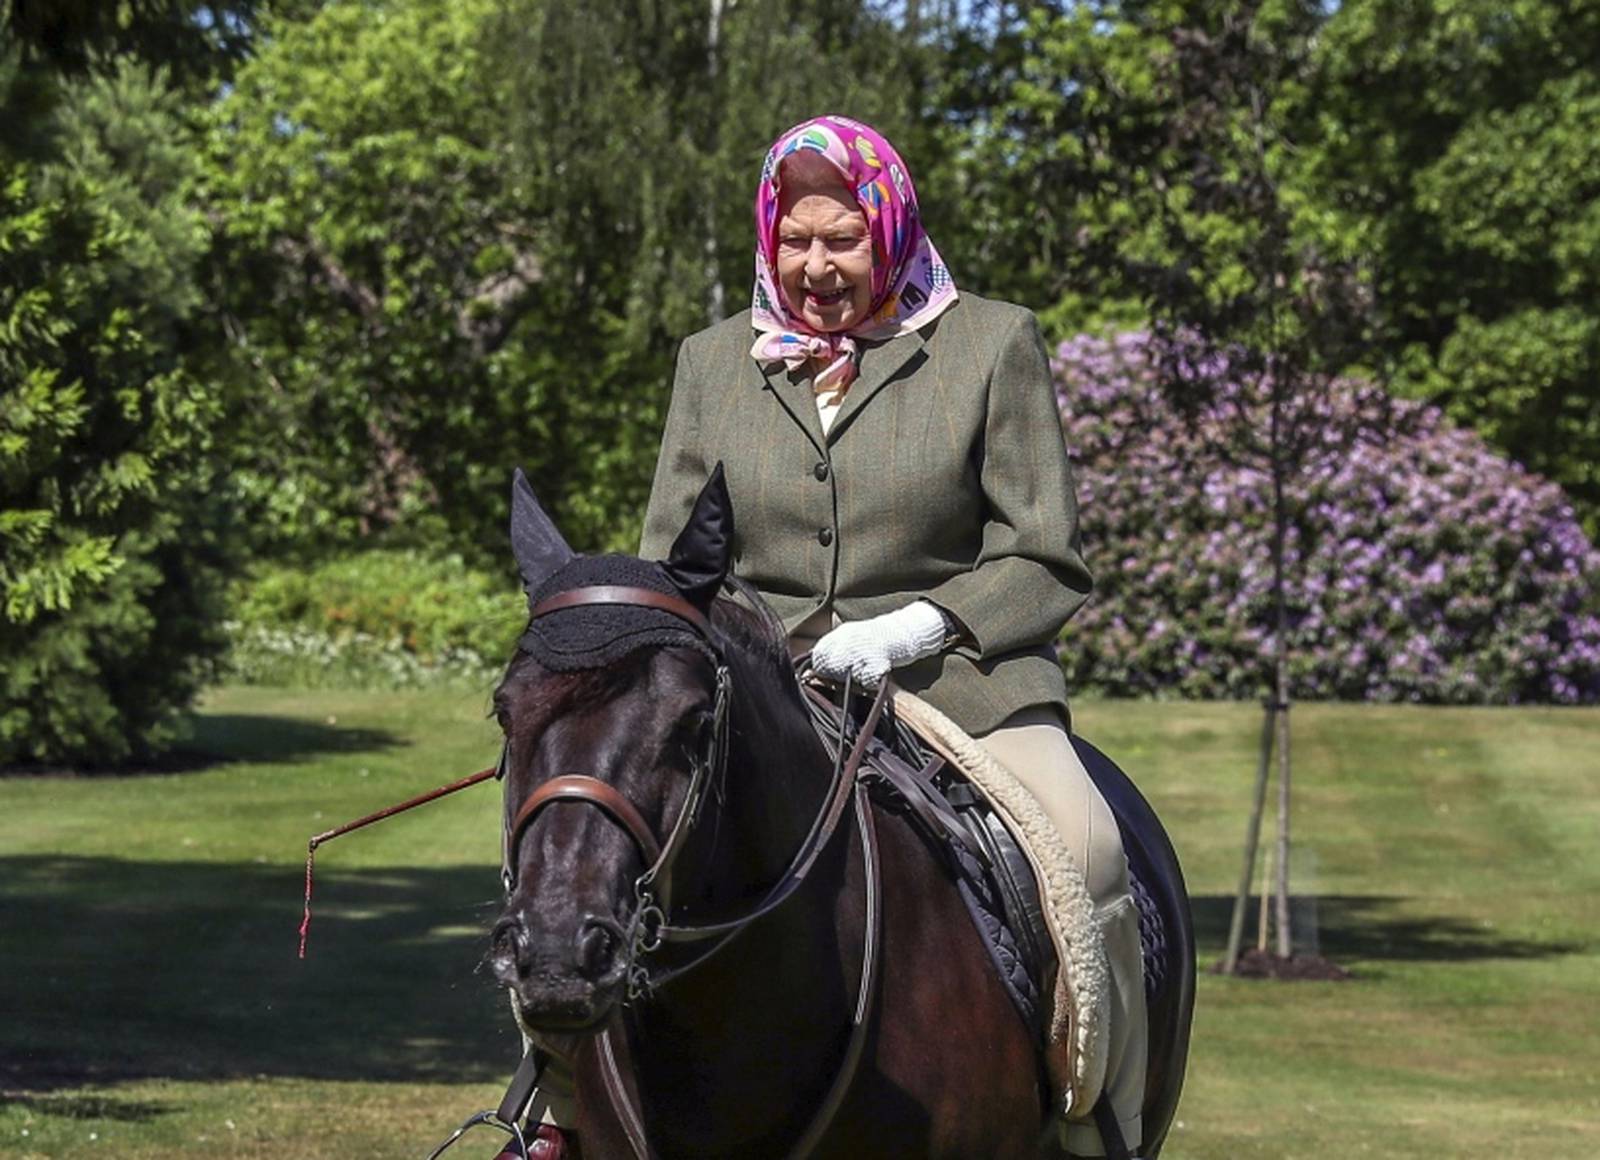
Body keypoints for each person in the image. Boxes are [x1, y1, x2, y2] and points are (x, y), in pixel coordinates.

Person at [635, 115, 1148, 1157]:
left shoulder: (992, 342)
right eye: (797, 239)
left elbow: (1043, 555)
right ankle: (559, 1109)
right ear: (768, 236)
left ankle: (1104, 1122)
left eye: (844, 238)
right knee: (590, 853)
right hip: (757, 687)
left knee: (1091, 851)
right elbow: (673, 559)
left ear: (892, 226)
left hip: (959, 678)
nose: (817, 266)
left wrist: (916, 625)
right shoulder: (709, 362)